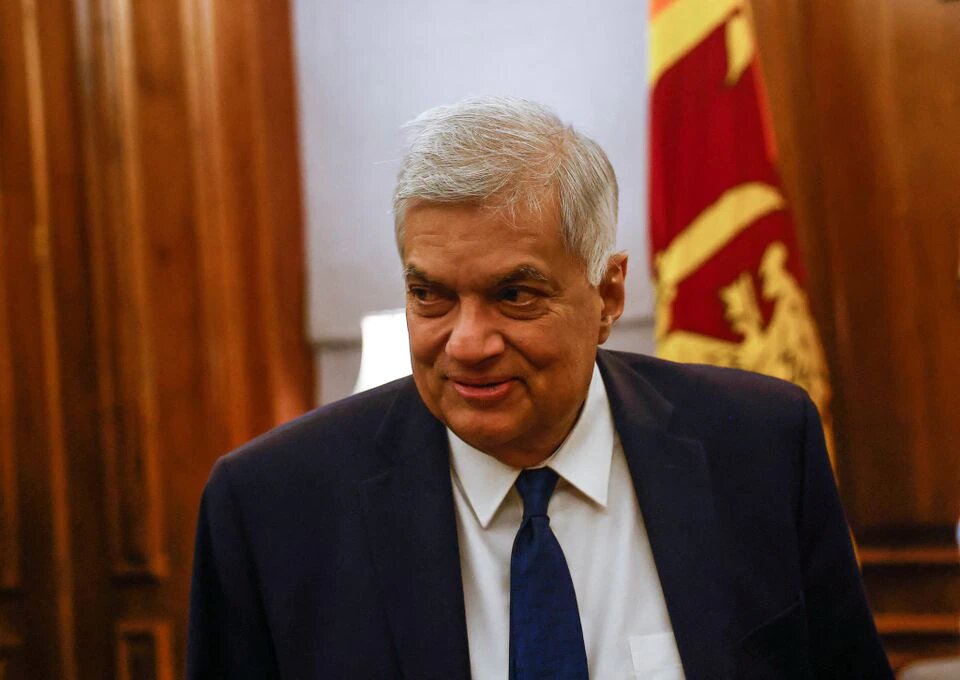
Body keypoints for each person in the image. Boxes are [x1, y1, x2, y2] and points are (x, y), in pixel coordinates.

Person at [187, 97, 892, 679]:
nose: (466, 343)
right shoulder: (273, 508)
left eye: (515, 294)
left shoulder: (761, 448)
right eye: (430, 296)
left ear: (609, 295)